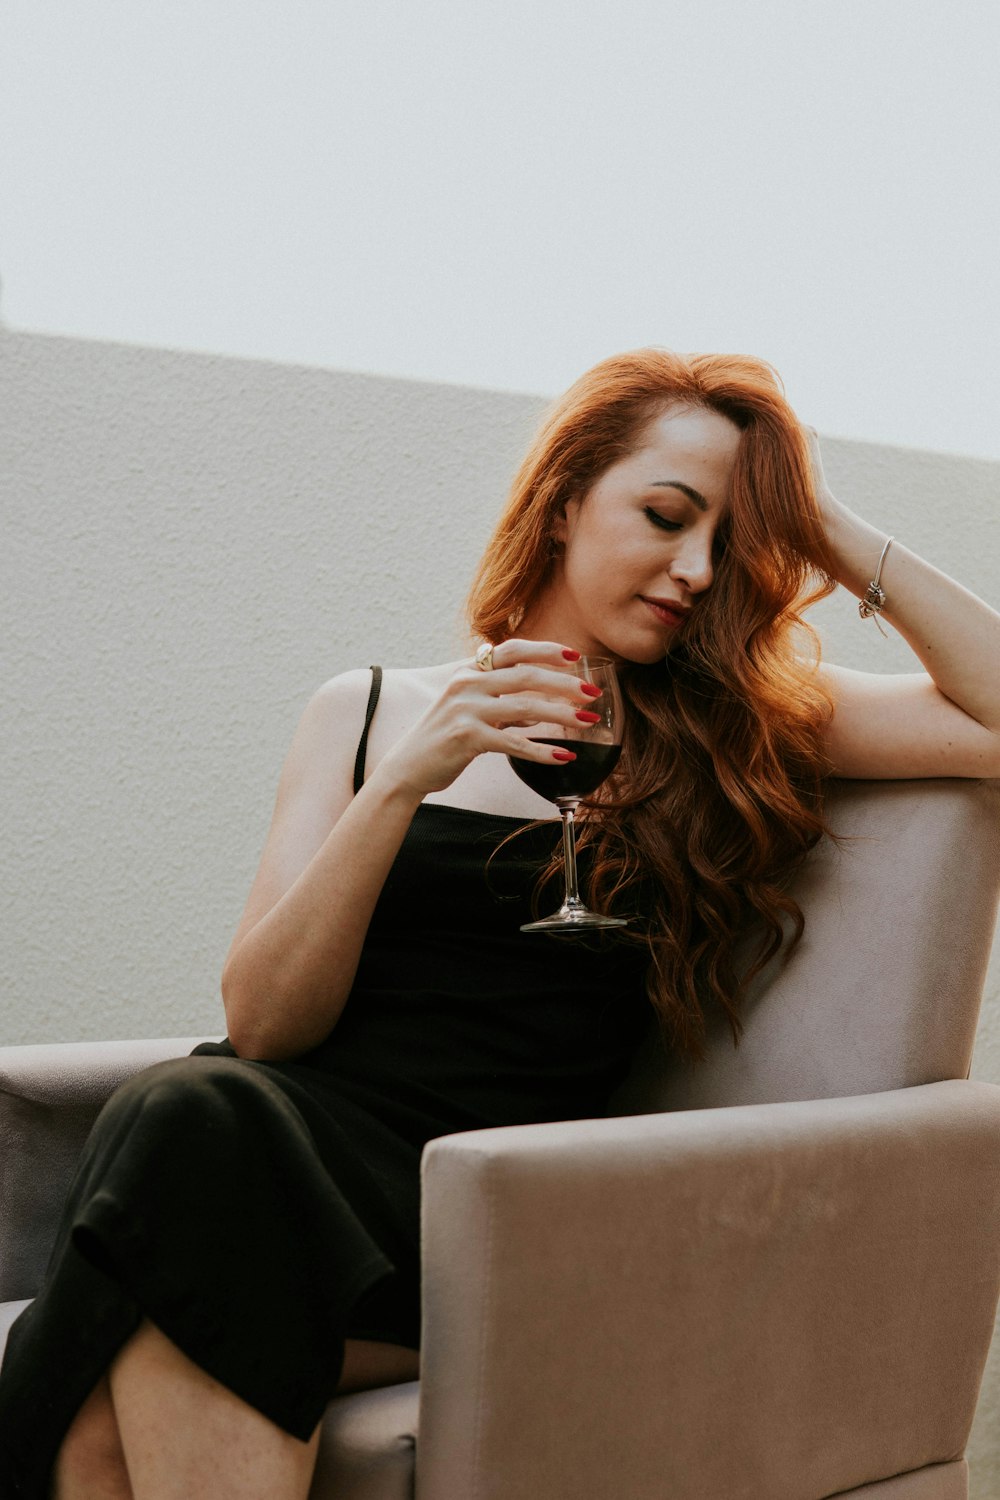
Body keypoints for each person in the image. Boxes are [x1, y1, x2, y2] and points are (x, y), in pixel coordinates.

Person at [2, 348, 999, 1499]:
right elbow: (268, 1025)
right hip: (276, 1155)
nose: (692, 569)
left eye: (723, 543)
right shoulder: (369, 711)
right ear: (565, 499)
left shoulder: (740, 730)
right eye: (665, 516)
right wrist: (399, 787)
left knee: (165, 1202)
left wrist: (817, 518)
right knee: (200, 1121)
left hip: (487, 1210)